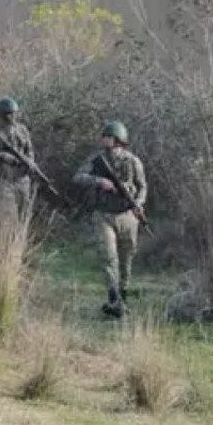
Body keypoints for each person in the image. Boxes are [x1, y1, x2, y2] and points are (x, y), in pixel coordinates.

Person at [72, 121, 146, 318]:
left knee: (126, 258)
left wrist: (138, 203)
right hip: (103, 215)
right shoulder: (97, 160)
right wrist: (99, 181)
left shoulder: (133, 161)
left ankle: (122, 296)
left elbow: (142, 187)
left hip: (127, 215)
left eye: (107, 136)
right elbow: (78, 177)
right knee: (109, 257)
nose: (103, 139)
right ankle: (114, 299)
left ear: (116, 139)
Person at [0, 96, 34, 212]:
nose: (13, 118)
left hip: (22, 179)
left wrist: (30, 162)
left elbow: (29, 150)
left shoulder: (22, 130)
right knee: (7, 214)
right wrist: (3, 156)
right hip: (3, 181)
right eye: (9, 115)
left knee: (25, 212)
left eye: (14, 114)